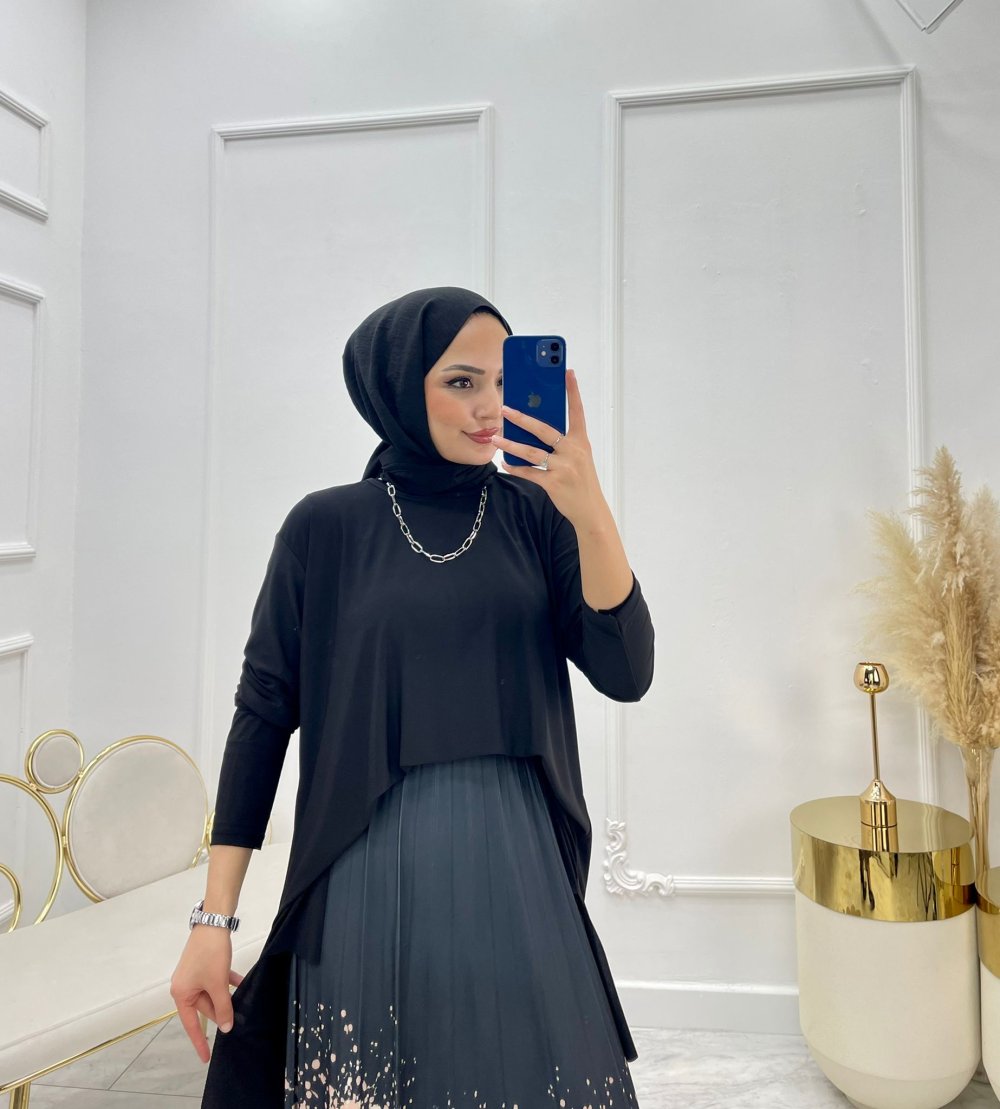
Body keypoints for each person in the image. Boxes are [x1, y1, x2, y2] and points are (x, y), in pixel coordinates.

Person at [170, 286, 655, 1107]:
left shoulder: (536, 515)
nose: (491, 407)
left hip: (515, 865)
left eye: (503, 381)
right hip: (365, 863)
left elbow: (627, 671)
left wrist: (591, 509)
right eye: (462, 382)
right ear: (397, 386)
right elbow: (262, 719)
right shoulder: (324, 527)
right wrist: (212, 923)